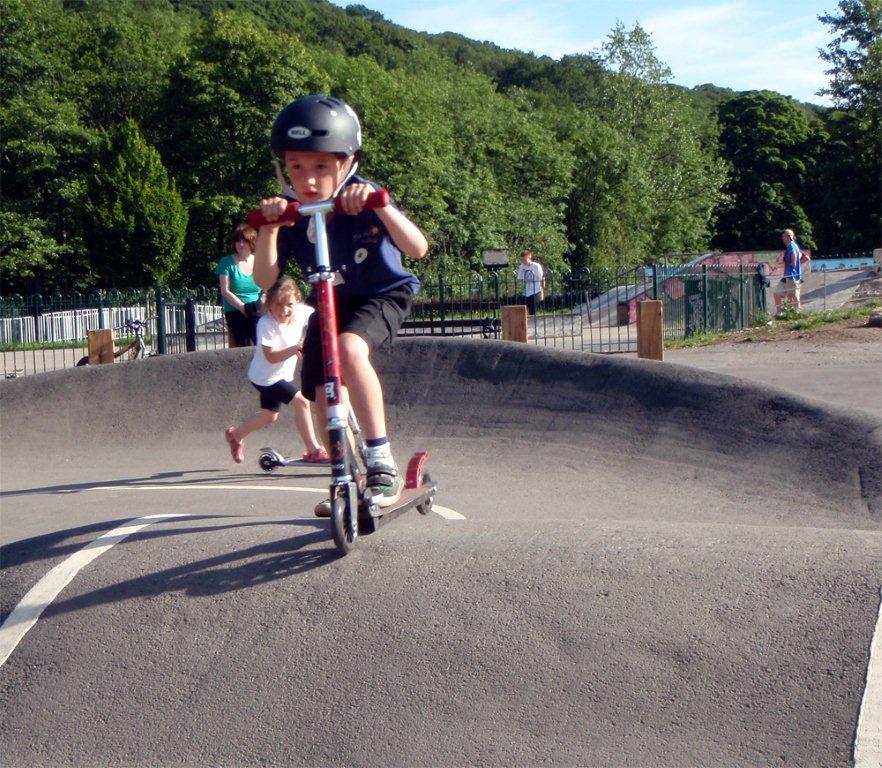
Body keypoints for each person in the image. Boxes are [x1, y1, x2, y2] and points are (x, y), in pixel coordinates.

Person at [252, 95, 428, 516]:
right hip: (331, 301)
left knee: (348, 351)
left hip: (383, 294)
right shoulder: (293, 215)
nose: (308, 179)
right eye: (297, 167)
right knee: (319, 389)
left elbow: (418, 248)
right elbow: (264, 280)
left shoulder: (362, 202)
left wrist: (381, 206)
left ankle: (380, 458)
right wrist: (270, 229)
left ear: (346, 164)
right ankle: (347, 474)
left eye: (320, 167)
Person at [224, 276, 329, 466]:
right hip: (265, 377)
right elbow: (270, 356)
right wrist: (296, 348)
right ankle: (313, 450)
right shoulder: (266, 324)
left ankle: (235, 435)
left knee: (269, 416)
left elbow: (322, 314)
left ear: (296, 301)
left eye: (289, 304)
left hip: (280, 376)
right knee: (302, 403)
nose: (285, 310)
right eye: (279, 305)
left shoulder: (300, 312)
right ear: (269, 304)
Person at [216, 223, 263, 347]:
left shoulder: (259, 261)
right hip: (235, 311)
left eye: (244, 241)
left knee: (263, 343)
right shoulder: (226, 262)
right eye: (238, 241)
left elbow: (268, 288)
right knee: (245, 344)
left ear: (252, 242)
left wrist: (259, 305)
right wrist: (244, 308)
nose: (241, 245)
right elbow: (225, 291)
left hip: (257, 309)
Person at [774, 229, 808, 314]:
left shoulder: (791, 245)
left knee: (793, 294)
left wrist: (794, 262)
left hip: (791, 275)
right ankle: (779, 313)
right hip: (786, 275)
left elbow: (795, 254)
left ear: (789, 237)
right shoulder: (791, 246)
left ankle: (798, 313)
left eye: (784, 236)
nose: (782, 238)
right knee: (777, 293)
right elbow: (803, 257)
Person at [516, 249, 544, 314]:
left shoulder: (536, 266)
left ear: (529, 258)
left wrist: (542, 292)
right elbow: (519, 279)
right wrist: (516, 289)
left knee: (532, 310)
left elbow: (542, 279)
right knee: (523, 311)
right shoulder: (521, 266)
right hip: (526, 291)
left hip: (536, 290)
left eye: (525, 260)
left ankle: (533, 323)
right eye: (522, 260)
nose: (523, 262)